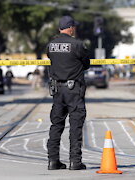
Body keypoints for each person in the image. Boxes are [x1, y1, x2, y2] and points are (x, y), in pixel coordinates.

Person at [45, 15, 90, 170]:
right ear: (70, 28)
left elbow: (51, 59)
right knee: (75, 125)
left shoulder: (51, 45)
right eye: (73, 27)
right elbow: (86, 64)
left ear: (59, 28)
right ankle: (75, 161)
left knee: (56, 125)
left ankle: (52, 160)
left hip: (57, 91)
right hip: (74, 91)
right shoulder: (77, 44)